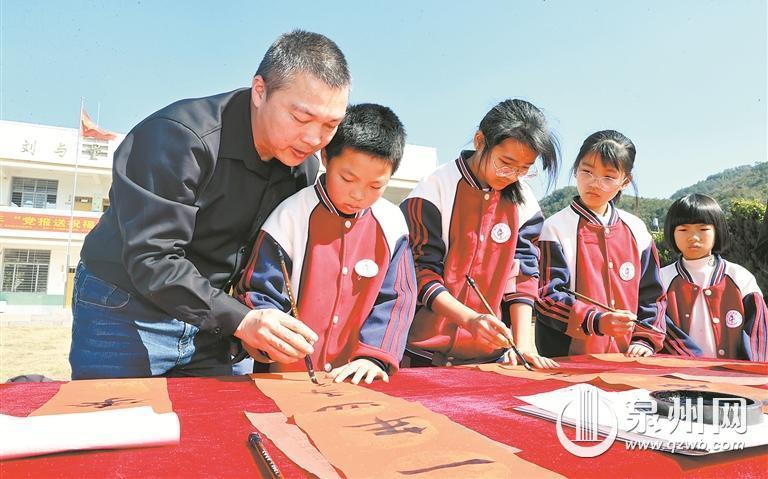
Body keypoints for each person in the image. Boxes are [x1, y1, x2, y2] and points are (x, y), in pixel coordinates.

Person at [69, 30, 350, 379]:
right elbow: (153, 258)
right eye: (301, 118)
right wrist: (241, 320)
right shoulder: (178, 138)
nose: (313, 139)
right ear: (259, 91)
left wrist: (251, 317)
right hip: (125, 308)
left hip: (216, 322)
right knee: (121, 414)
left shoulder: (301, 165)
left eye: (330, 125)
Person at [235, 103, 417, 384]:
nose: (358, 195)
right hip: (286, 378)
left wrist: (374, 357)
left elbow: (397, 298)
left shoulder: (392, 224)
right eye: (347, 178)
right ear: (325, 157)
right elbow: (259, 292)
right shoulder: (289, 216)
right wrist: (271, 342)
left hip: (358, 378)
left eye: (375, 186)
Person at [400, 99, 560, 368]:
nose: (512, 175)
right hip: (422, 353)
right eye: (505, 163)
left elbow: (523, 275)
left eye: (524, 169)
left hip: (489, 356)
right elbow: (420, 271)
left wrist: (523, 343)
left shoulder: (525, 202)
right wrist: (469, 319)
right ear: (480, 141)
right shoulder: (434, 189)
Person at [536, 130, 666, 357]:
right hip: (567, 360)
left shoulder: (637, 230)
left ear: (625, 181)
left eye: (608, 177)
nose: (594, 183)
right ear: (575, 170)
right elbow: (546, 297)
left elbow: (653, 295)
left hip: (629, 358)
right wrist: (595, 320)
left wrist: (645, 339)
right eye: (587, 171)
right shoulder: (553, 228)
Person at [660, 194, 767, 361]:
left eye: (703, 229)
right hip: (678, 374)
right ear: (671, 233)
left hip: (734, 375)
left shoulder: (740, 277)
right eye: (683, 230)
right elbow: (659, 329)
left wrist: (751, 371)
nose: (693, 237)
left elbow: (759, 335)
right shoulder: (661, 279)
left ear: (717, 231)